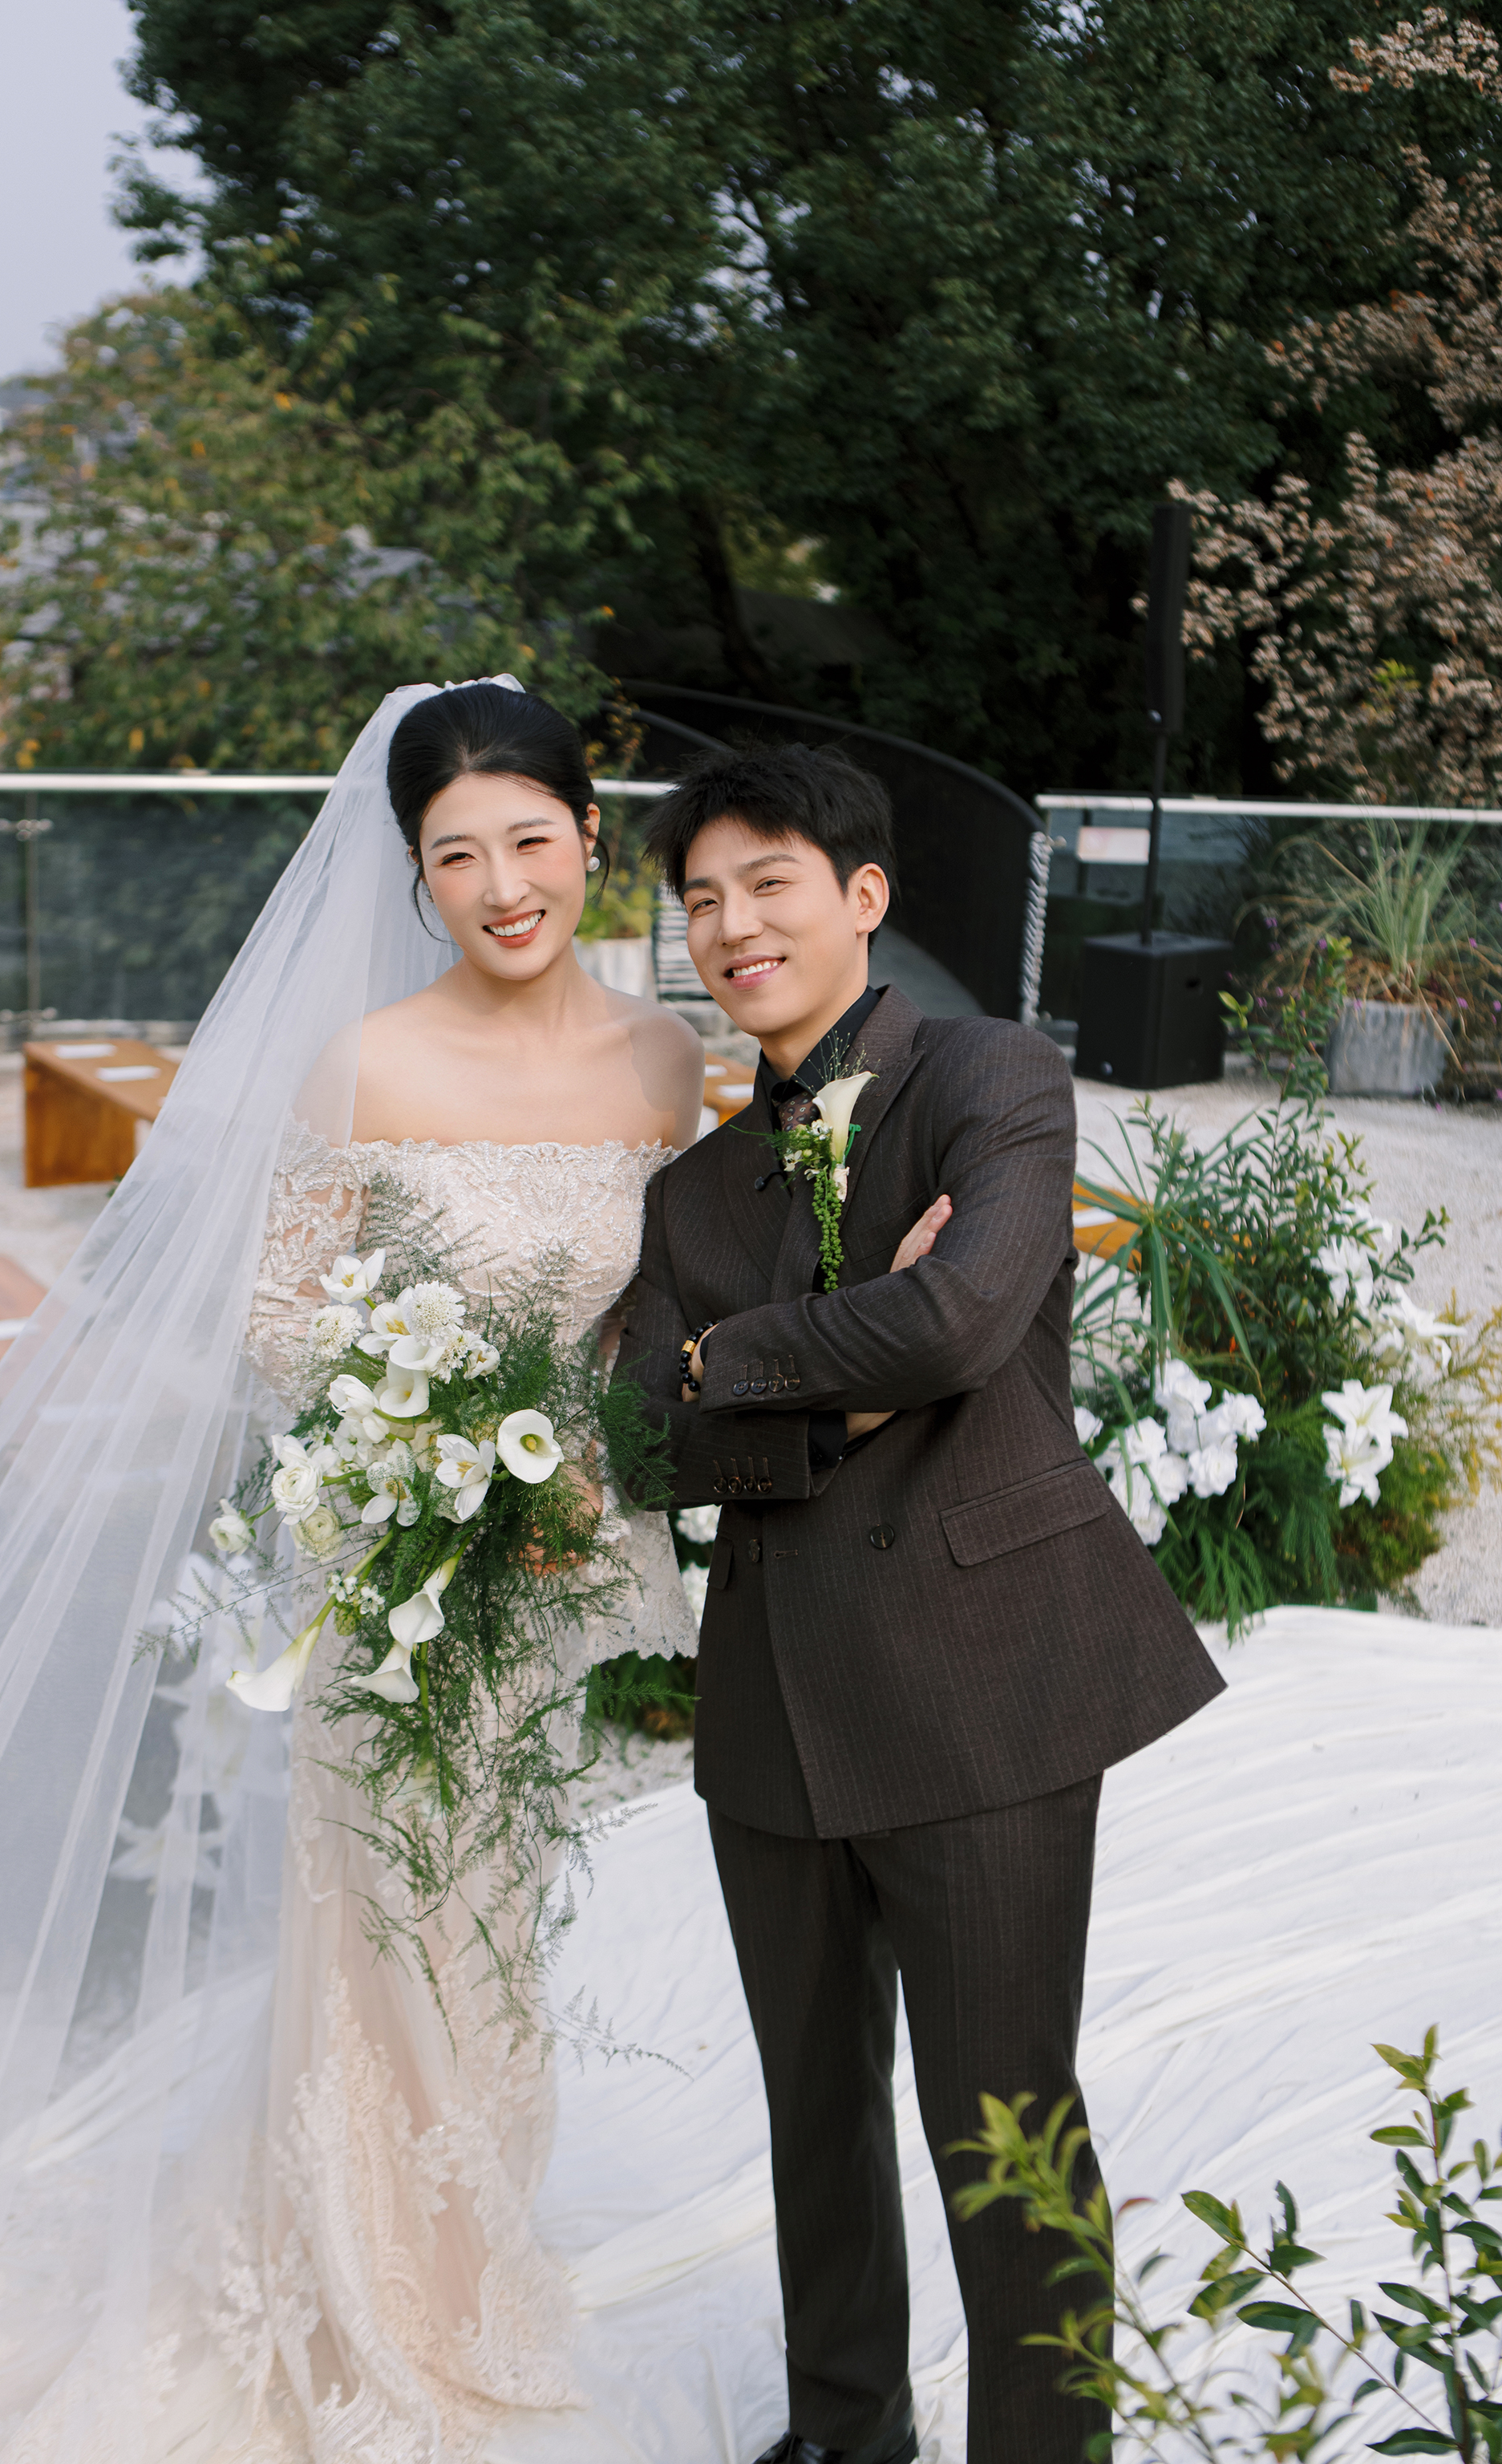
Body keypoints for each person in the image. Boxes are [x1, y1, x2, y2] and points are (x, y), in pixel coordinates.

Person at [0, 679, 697, 2462]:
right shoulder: (365, 1063)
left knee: (506, 1922)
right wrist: (448, 1439)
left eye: (529, 840)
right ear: (414, 873)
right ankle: (375, 2287)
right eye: (455, 856)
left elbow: (661, 1311)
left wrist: (594, 1454)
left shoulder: (660, 1062)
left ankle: (474, 2233)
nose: (501, 886)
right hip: (403, 1569)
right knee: (390, 1920)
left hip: (570, 1563)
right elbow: (279, 1317)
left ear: (590, 835)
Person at [616, 741, 1226, 2464]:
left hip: (983, 1688)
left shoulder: (990, 1075)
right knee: (812, 2115)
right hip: (775, 1706)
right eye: (702, 900)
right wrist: (838, 1389)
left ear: (863, 895)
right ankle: (844, 2431)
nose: (733, 927)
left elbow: (957, 1319)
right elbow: (649, 1445)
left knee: (1005, 2127)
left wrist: (733, 1359)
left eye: (769, 884)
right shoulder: (690, 1191)